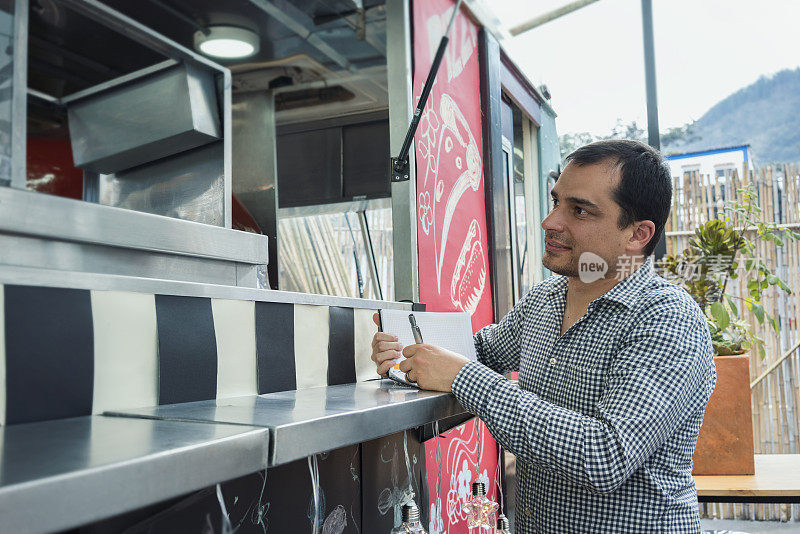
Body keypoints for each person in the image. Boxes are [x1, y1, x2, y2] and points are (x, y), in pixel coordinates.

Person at [370, 140, 716, 533]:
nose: (550, 222)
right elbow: (480, 352)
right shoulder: (546, 298)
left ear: (638, 234)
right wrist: (406, 354)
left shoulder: (667, 320)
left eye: (580, 210)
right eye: (556, 202)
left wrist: (462, 376)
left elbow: (605, 456)